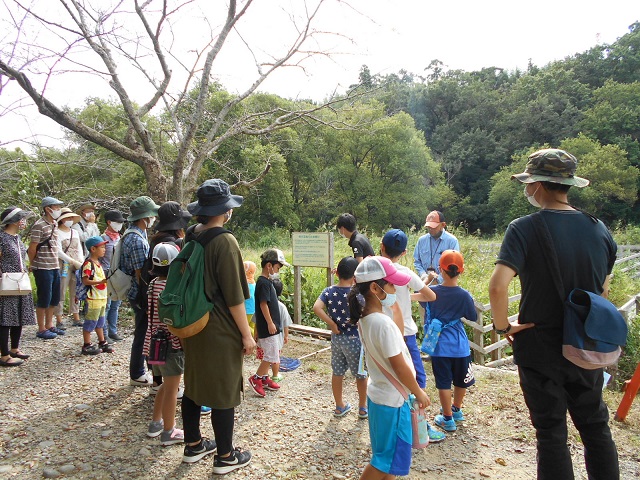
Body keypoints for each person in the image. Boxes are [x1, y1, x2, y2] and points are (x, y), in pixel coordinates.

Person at [488, 148, 619, 479]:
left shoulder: (524, 228)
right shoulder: (599, 229)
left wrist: (504, 327)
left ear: (537, 184)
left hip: (539, 346)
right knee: (595, 427)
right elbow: (603, 292)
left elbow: (498, 287)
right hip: (585, 344)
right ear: (568, 184)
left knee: (551, 433)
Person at [180, 179, 255, 473]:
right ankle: (225, 456)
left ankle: (193, 444)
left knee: (194, 384)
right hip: (219, 328)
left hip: (193, 324)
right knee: (224, 391)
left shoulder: (191, 236)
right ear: (225, 211)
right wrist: (247, 335)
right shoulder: (225, 242)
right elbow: (235, 297)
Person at [347, 256, 430, 480]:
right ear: (375, 288)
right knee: (384, 462)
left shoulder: (367, 319)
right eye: (392, 285)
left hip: (380, 395)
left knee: (389, 461)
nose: (395, 289)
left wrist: (395, 309)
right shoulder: (382, 324)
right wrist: (418, 391)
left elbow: (396, 339)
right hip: (394, 401)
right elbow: (399, 366)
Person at [379, 229, 444, 443]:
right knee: (417, 377)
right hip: (405, 334)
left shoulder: (374, 270)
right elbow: (431, 296)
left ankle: (392, 423)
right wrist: (408, 296)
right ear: (404, 252)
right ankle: (419, 425)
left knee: (387, 376)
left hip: (380, 332)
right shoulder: (405, 273)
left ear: (382, 246)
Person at [424, 250, 477, 433]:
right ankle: (456, 409)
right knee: (461, 379)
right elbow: (472, 316)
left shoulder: (432, 291)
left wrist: (428, 279)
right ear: (461, 271)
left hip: (440, 346)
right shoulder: (464, 295)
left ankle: (447, 418)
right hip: (460, 346)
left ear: (441, 269)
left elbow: (420, 298)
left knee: (444, 382)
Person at [312, 256, 368, 418]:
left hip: (337, 339)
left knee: (337, 372)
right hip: (356, 339)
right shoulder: (358, 294)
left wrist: (332, 324)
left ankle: (339, 406)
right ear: (355, 276)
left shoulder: (329, 291)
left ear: (337, 273)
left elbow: (317, 308)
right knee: (361, 374)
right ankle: (363, 407)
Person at [144, 242, 185, 446]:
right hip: (171, 343)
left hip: (154, 342)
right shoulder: (172, 286)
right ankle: (169, 430)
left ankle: (156, 423)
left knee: (166, 384)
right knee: (172, 389)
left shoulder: (153, 283)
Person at [121, 196, 160, 386]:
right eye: (152, 215)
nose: (153, 218)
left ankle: (140, 370)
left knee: (143, 332)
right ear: (145, 217)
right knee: (143, 333)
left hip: (136, 292)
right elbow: (140, 274)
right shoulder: (136, 240)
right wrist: (147, 298)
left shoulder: (134, 234)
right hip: (139, 293)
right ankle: (137, 373)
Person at [248, 249, 288, 397]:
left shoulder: (267, 282)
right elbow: (263, 304)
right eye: (277, 268)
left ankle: (264, 378)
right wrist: (270, 323)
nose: (278, 271)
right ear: (269, 266)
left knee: (272, 353)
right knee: (271, 355)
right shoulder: (263, 283)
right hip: (268, 327)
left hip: (272, 327)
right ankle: (256, 378)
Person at [0, 207, 36, 367]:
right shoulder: (2, 238)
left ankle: (14, 348)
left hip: (20, 281)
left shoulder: (17, 238)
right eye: (22, 218)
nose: (24, 222)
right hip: (7, 282)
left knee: (19, 315)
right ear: (14, 221)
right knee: (5, 318)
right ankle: (4, 355)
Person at [28, 196, 65, 340]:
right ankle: (41, 328)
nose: (58, 209)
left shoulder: (54, 224)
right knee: (44, 297)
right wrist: (32, 263)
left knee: (54, 298)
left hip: (54, 265)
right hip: (42, 267)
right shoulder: (39, 225)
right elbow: (33, 247)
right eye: (56, 207)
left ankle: (50, 324)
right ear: (48, 209)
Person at [80, 236, 114, 355]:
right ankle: (87, 344)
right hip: (93, 298)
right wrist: (100, 282)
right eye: (102, 247)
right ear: (93, 249)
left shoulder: (98, 263)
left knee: (100, 321)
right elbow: (85, 280)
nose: (104, 249)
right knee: (90, 321)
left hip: (101, 298)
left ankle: (102, 341)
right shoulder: (88, 264)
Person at [54, 208, 84, 329]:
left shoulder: (74, 232)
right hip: (63, 265)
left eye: (71, 218)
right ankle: (59, 318)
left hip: (76, 265)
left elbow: (79, 248)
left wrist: (80, 261)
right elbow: (58, 251)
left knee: (75, 291)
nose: (70, 220)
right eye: (68, 218)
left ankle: (76, 316)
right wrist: (71, 260)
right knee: (61, 291)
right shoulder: (57, 233)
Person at [413, 210, 460, 285]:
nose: (430, 229)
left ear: (443, 225)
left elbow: (454, 265)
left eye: (434, 227)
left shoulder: (452, 241)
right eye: (429, 227)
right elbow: (417, 261)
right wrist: (423, 275)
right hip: (423, 283)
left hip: (444, 285)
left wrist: (438, 280)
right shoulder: (422, 240)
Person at [101, 210, 126, 341]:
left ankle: (113, 331)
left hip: (118, 274)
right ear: (109, 222)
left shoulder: (120, 237)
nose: (120, 225)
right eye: (118, 222)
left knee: (116, 304)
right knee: (107, 305)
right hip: (106, 274)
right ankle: (104, 333)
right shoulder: (102, 239)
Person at [271, 277, 292, 383]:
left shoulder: (262, 304)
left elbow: (256, 321)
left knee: (264, 358)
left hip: (262, 338)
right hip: (277, 338)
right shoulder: (282, 307)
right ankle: (275, 376)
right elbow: (285, 323)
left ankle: (264, 376)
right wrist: (286, 335)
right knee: (275, 358)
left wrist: (256, 334)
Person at [243, 261, 257, 336]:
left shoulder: (246, 284)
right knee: (252, 326)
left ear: (249, 271)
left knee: (245, 327)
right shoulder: (254, 283)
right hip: (253, 309)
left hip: (247, 310)